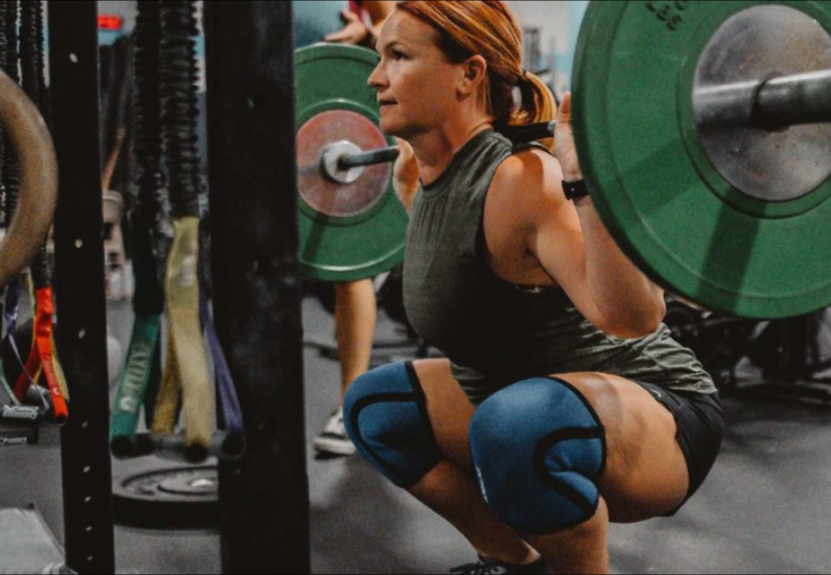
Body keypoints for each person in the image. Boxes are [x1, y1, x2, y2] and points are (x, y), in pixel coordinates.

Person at [341, 2, 725, 574]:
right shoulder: (419, 178)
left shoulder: (525, 180)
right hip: (527, 401)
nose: (376, 77)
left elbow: (636, 317)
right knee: (377, 408)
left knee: (514, 428)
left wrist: (582, 180)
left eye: (398, 56)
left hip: (655, 410)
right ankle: (510, 560)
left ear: (468, 75)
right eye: (379, 58)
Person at [297, 0, 400, 458]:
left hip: (336, 126)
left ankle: (351, 406)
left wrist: (370, 34)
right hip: (276, 120)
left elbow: (393, 26)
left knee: (348, 267)